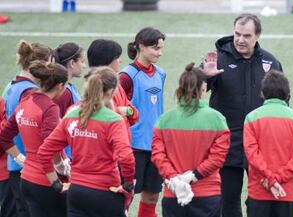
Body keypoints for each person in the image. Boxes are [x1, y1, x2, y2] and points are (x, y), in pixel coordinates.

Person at [202, 13, 283, 217]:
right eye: (237, 34)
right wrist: (204, 76)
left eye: (246, 35)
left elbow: (283, 101)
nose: (240, 39)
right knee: (228, 201)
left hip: (260, 144)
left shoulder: (271, 62)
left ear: (258, 35)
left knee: (261, 199)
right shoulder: (217, 59)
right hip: (227, 143)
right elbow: (192, 90)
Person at [37, 67, 136, 217]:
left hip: (77, 193)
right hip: (106, 192)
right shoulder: (114, 120)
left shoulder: (72, 115)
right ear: (112, 91)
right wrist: (128, 184)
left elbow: (44, 152)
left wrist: (56, 184)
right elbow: (126, 157)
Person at [151, 63, 230, 217]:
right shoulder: (217, 119)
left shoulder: (164, 120)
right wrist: (192, 176)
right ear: (203, 88)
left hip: (174, 193)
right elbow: (217, 158)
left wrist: (175, 178)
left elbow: (158, 156)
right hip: (207, 195)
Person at [0, 61, 69, 217]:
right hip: (47, 182)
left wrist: (22, 160)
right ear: (60, 86)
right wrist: (60, 165)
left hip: (27, 180)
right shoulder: (50, 108)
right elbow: (49, 145)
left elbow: (4, 137)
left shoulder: (26, 101)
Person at [243, 70, 293, 217]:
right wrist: (278, 179)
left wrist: (271, 180)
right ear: (287, 94)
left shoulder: (251, 118)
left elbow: (252, 154)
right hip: (288, 192)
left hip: (259, 191)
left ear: (262, 93)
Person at [1, 40, 54, 217]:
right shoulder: (30, 92)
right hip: (30, 166)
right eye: (50, 63)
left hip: (15, 162)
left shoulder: (11, 85)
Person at [119, 27, 166, 217]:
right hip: (133, 146)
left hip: (155, 145)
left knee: (152, 196)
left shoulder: (161, 74)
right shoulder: (126, 76)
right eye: (155, 48)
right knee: (126, 194)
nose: (159, 53)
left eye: (161, 48)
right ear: (141, 47)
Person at [86, 39, 139, 140]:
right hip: (108, 144)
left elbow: (134, 114)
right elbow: (98, 115)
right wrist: (122, 111)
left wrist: (127, 111)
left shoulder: (116, 84)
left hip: (121, 141)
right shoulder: (96, 85)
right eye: (117, 58)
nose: (120, 61)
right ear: (108, 60)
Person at [53, 42, 86, 160]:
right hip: (68, 157)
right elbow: (57, 130)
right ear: (72, 63)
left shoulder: (69, 88)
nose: (84, 65)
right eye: (82, 61)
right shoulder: (63, 94)